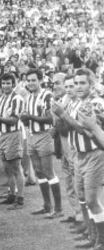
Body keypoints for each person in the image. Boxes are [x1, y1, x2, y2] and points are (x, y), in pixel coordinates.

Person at [52, 68, 104, 250]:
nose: (79, 87)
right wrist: (59, 117)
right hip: (78, 154)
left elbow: (86, 130)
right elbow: (66, 129)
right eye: (76, 83)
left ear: (91, 84)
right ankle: (92, 236)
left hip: (93, 154)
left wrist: (63, 115)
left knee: (91, 199)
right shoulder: (76, 102)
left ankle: (101, 241)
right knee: (82, 198)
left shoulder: (95, 102)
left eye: (83, 83)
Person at [20, 69, 63, 218]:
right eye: (29, 80)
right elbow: (27, 118)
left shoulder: (47, 95)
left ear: (40, 80)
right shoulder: (28, 97)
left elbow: (50, 118)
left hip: (44, 135)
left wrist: (29, 116)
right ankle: (47, 205)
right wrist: (23, 118)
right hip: (32, 136)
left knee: (48, 171)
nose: (31, 83)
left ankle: (58, 209)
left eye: (33, 80)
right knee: (38, 171)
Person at [0, 73, 25, 209]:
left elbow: (14, 120)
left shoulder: (16, 98)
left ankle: (20, 199)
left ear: (13, 84)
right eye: (4, 83)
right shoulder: (3, 98)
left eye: (8, 83)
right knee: (7, 168)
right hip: (3, 135)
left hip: (13, 134)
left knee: (16, 168)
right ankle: (12, 195)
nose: (6, 86)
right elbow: (1, 117)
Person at [51, 73, 82, 224]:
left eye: (58, 83)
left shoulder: (71, 102)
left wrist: (58, 120)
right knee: (69, 181)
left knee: (76, 182)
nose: (55, 86)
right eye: (54, 83)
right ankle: (78, 214)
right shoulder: (61, 102)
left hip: (72, 146)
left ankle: (82, 217)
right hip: (64, 146)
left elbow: (66, 128)